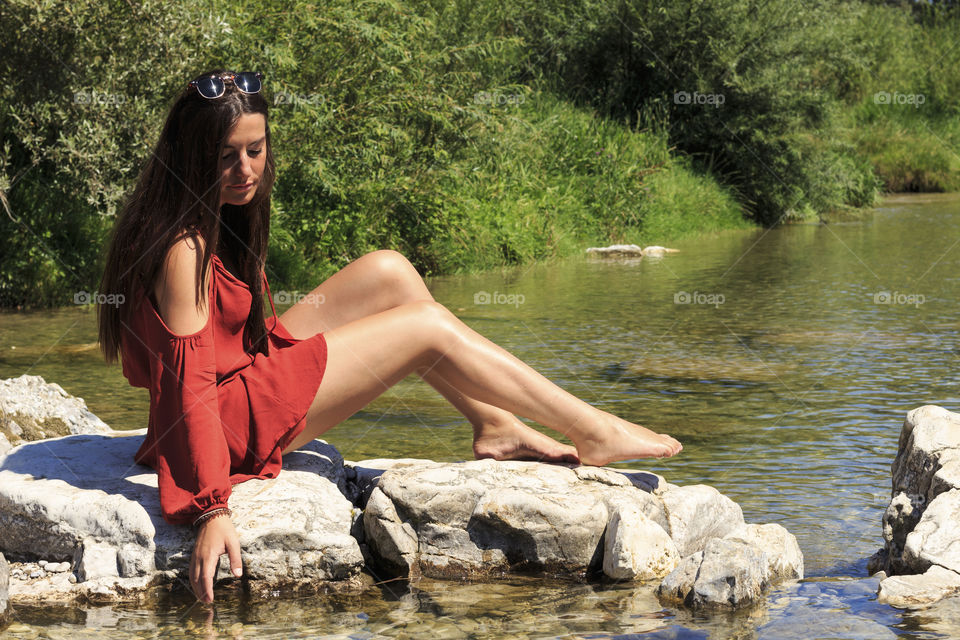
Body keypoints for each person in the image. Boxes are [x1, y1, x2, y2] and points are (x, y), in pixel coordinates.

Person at [97, 70, 682, 604]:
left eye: (256, 148)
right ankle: (591, 429)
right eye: (226, 156)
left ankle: (494, 424)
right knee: (426, 329)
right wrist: (211, 511)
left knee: (390, 271)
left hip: (241, 372)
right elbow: (190, 384)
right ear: (190, 156)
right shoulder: (182, 250)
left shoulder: (210, 214)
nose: (246, 169)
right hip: (226, 423)